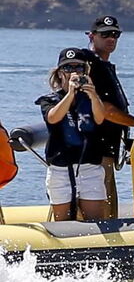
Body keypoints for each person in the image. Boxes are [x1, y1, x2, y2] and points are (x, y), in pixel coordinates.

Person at [35, 48, 108, 221]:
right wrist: (70, 94)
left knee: (96, 221)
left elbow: (99, 118)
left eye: (79, 68)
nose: (73, 72)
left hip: (90, 167)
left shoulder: (91, 99)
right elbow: (53, 118)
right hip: (61, 169)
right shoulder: (50, 100)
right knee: (63, 223)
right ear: (60, 73)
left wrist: (93, 94)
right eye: (68, 68)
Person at [85, 15, 134, 218]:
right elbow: (106, 109)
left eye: (115, 34)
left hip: (108, 149)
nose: (111, 39)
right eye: (105, 34)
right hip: (94, 151)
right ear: (91, 36)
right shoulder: (90, 65)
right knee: (103, 210)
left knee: (110, 203)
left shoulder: (105, 66)